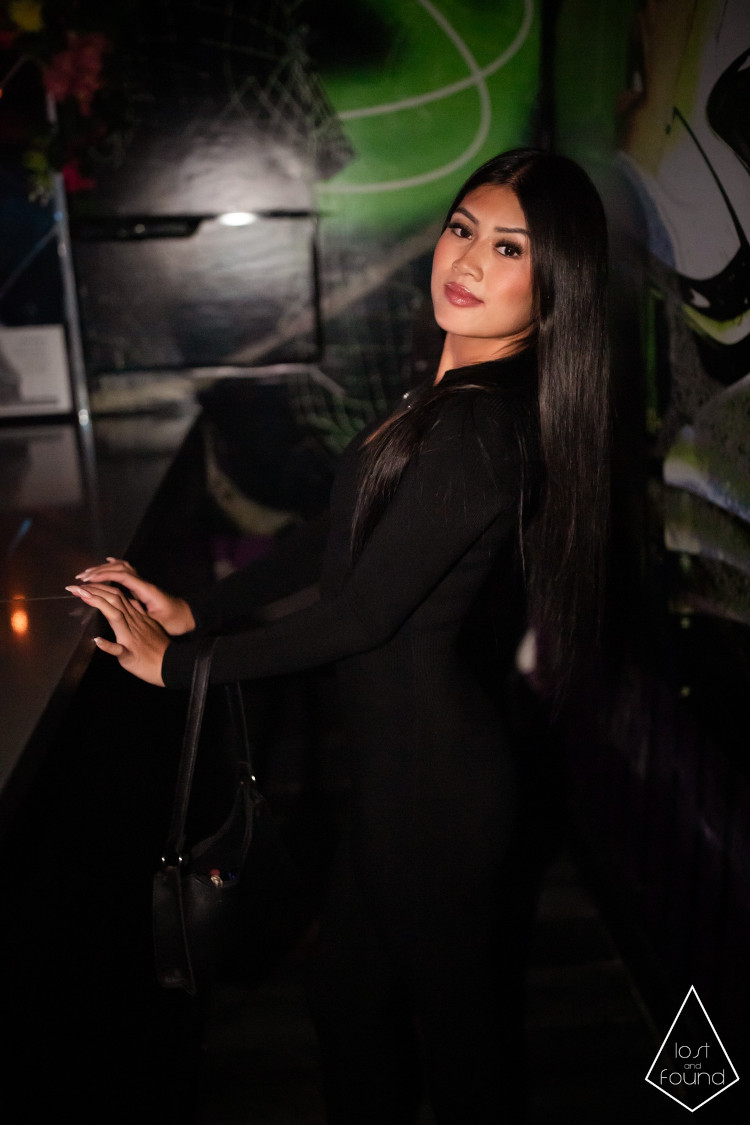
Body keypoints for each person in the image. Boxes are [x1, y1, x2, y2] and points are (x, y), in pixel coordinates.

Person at [68, 147, 610, 1124]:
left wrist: (184, 665)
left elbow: (360, 616)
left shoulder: (479, 432)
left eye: (509, 248)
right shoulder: (445, 397)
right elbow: (339, 537)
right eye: (462, 228)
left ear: (555, 285)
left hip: (436, 797)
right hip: (402, 781)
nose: (468, 260)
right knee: (347, 997)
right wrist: (199, 609)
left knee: (462, 1048)